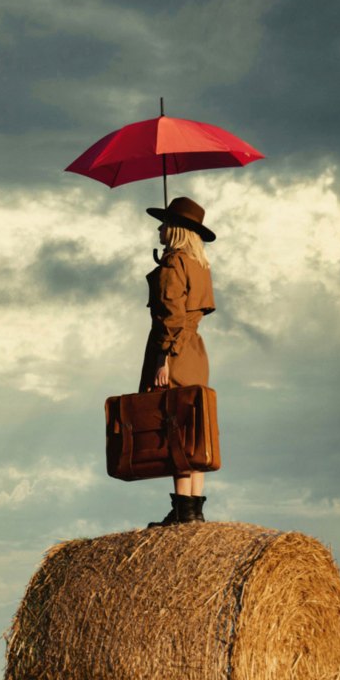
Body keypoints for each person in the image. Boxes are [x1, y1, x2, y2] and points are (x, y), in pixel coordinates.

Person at [138, 196, 217, 527]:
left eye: (164, 222)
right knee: (192, 430)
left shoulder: (174, 265)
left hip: (175, 352)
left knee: (173, 428)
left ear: (176, 230)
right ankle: (192, 509)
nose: (159, 227)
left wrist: (164, 357)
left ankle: (183, 512)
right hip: (195, 351)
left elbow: (172, 315)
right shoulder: (200, 266)